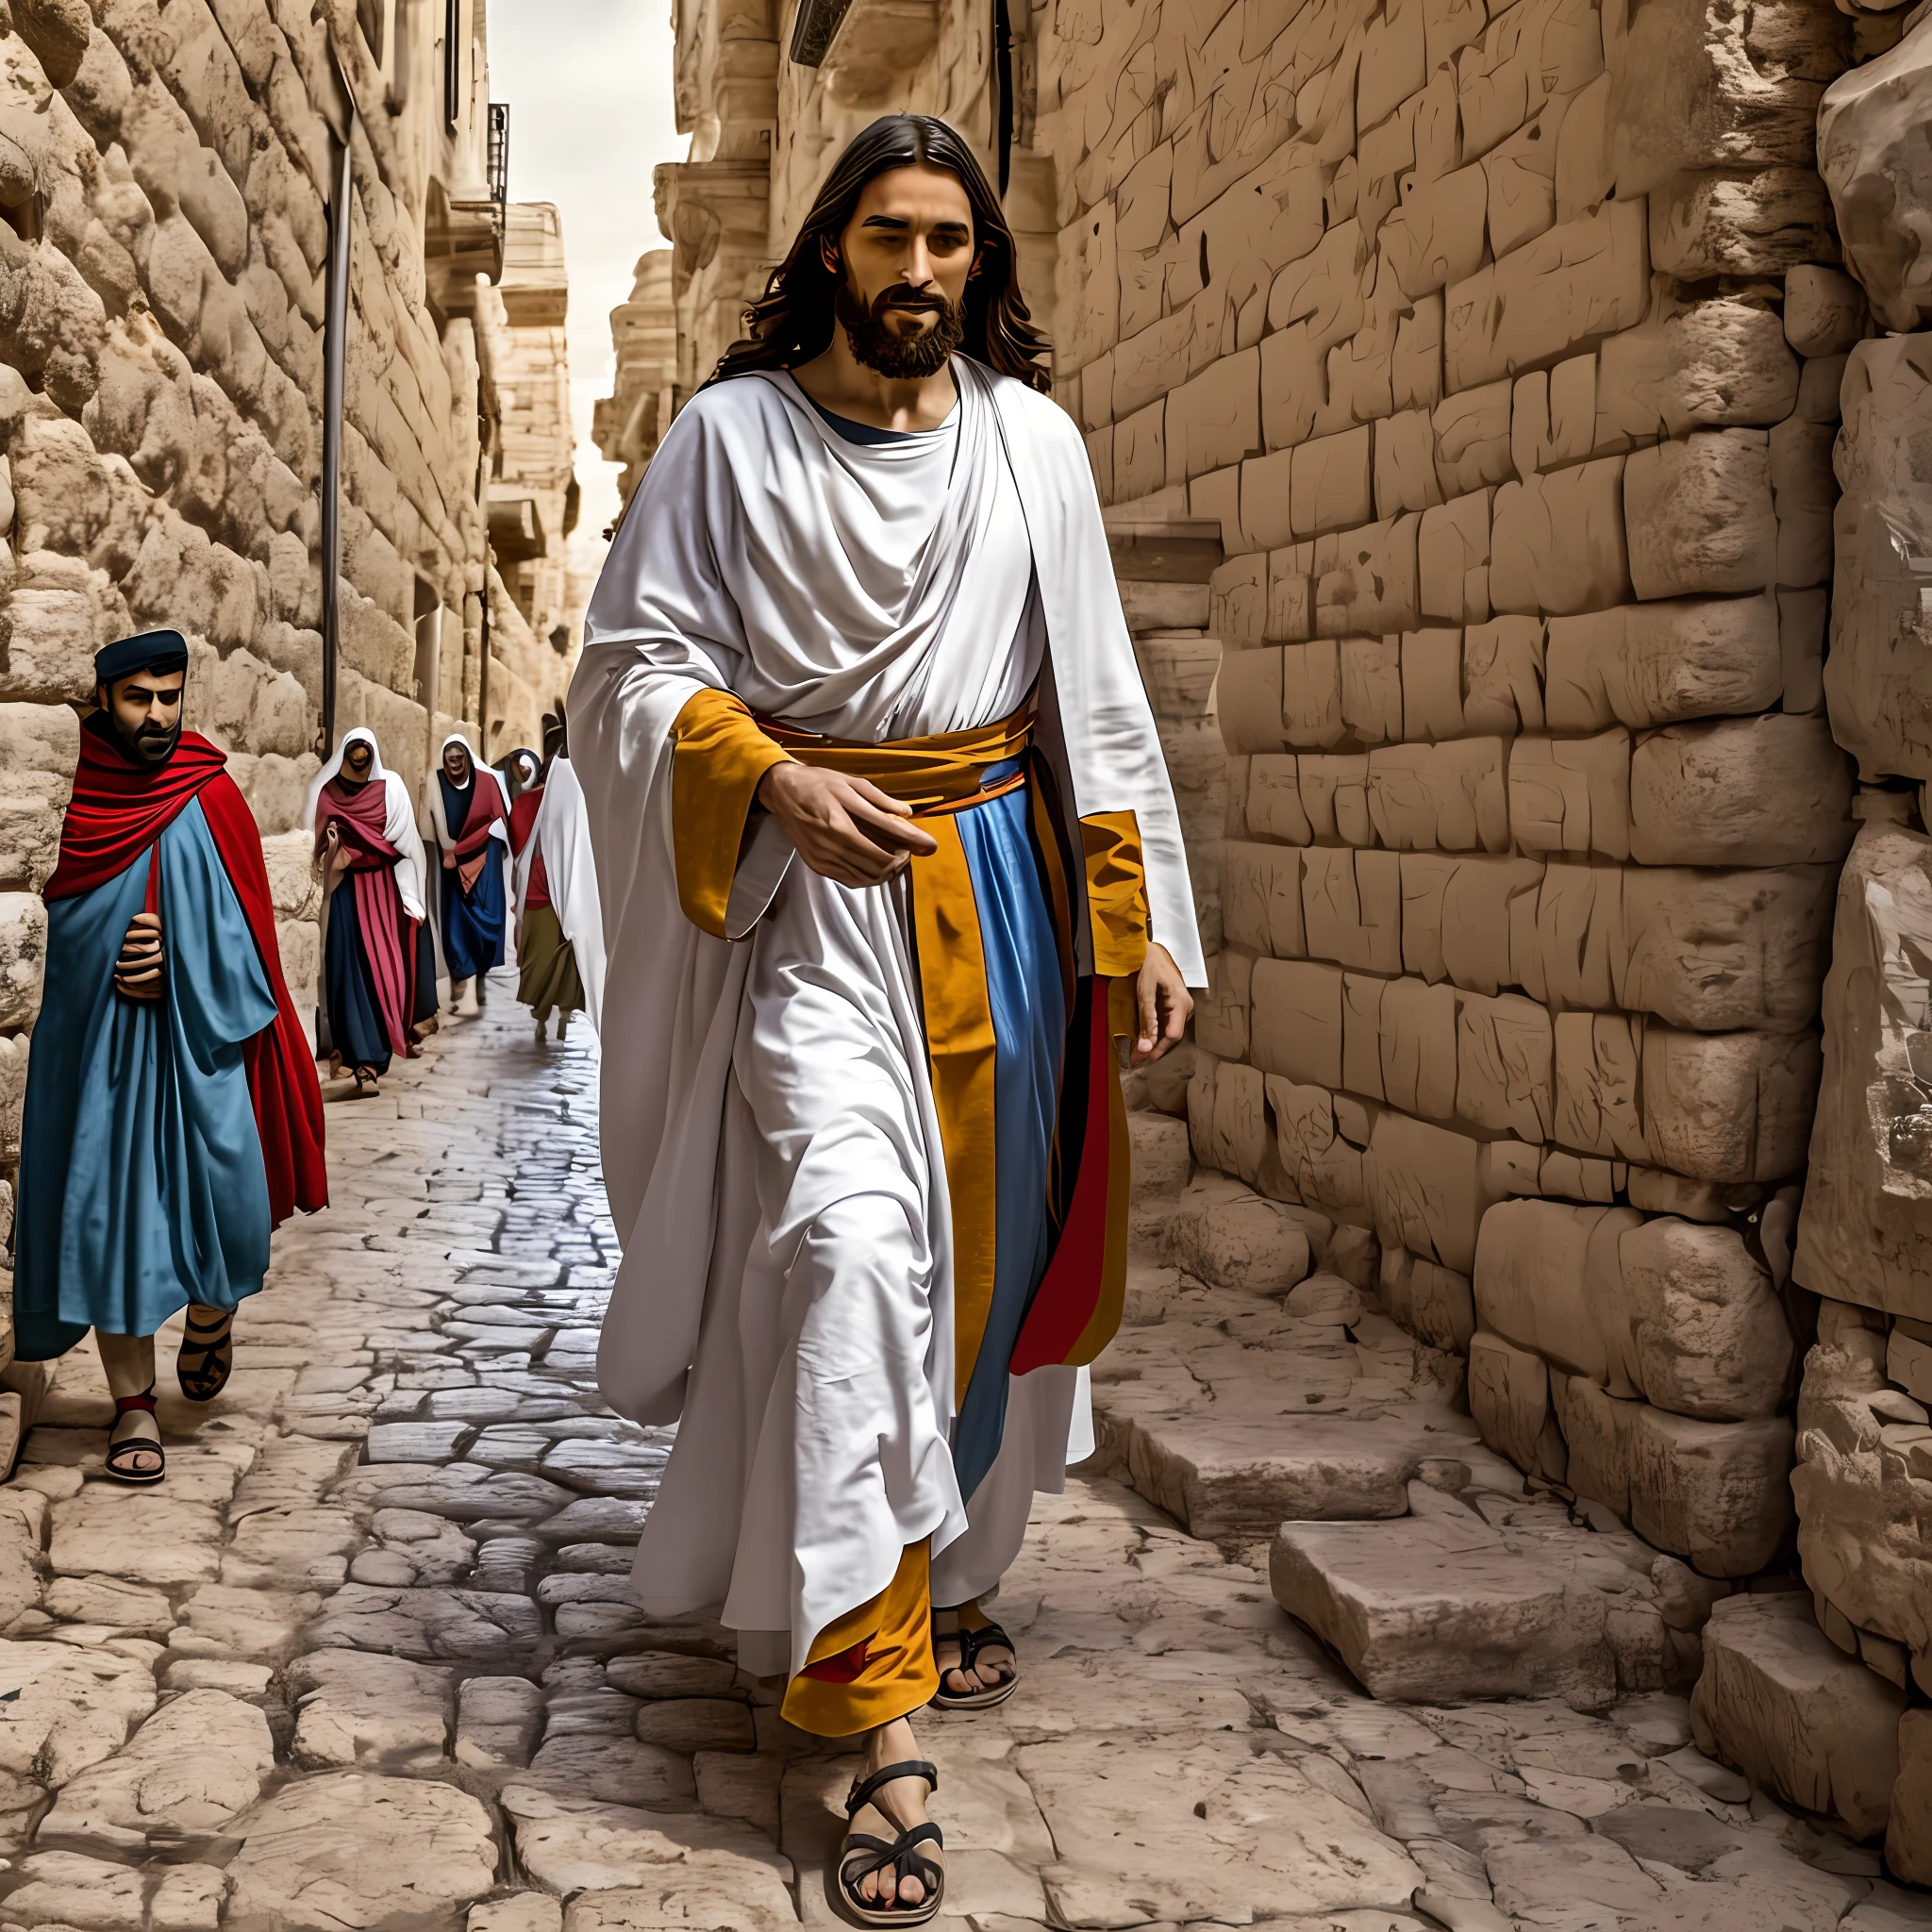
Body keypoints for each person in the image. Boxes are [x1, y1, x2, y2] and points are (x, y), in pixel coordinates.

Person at [572, 114, 1202, 1924]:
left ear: (977, 263)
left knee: (985, 1290)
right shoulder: (728, 436)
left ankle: (935, 1563)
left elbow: (1094, 689)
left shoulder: (1031, 446)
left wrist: (1135, 922)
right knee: (849, 1250)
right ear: (828, 251)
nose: (916, 269)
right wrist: (762, 773)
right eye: (882, 235)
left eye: (946, 240)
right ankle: (878, 1721)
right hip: (815, 917)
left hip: (1000, 905)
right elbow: (632, 669)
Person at [16, 630, 327, 1485]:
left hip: (201, 1048)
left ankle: (212, 1312)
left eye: (169, 696)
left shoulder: (212, 792)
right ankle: (132, 1407)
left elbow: (256, 943)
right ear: (105, 698)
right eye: (136, 699)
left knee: (231, 1207)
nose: (156, 715)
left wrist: (182, 963)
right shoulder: (71, 793)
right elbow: (50, 919)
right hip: (99, 1061)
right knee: (117, 1229)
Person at [306, 727, 437, 1095]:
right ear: (345, 756)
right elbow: (314, 847)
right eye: (354, 757)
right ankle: (360, 1059)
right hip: (345, 894)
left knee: (386, 971)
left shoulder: (390, 788)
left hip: (382, 891)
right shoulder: (327, 793)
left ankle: (376, 1055)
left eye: (365, 757)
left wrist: (413, 897)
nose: (360, 764)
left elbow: (408, 844)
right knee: (345, 972)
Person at [509, 724, 604, 1043]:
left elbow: (517, 845)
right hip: (567, 891)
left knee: (540, 957)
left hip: (537, 894)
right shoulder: (580, 796)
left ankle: (542, 1016)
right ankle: (563, 1013)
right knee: (567, 955)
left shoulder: (525, 803)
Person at [420, 733, 508, 1017]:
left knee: (487, 915)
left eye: (459, 758)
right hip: (451, 867)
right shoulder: (436, 782)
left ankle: (480, 975)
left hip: (484, 861)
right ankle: (460, 975)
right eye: (450, 759)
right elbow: (430, 820)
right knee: (456, 925)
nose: (455, 764)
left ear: (468, 758)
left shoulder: (487, 782)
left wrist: (477, 845)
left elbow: (499, 820)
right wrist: (447, 851)